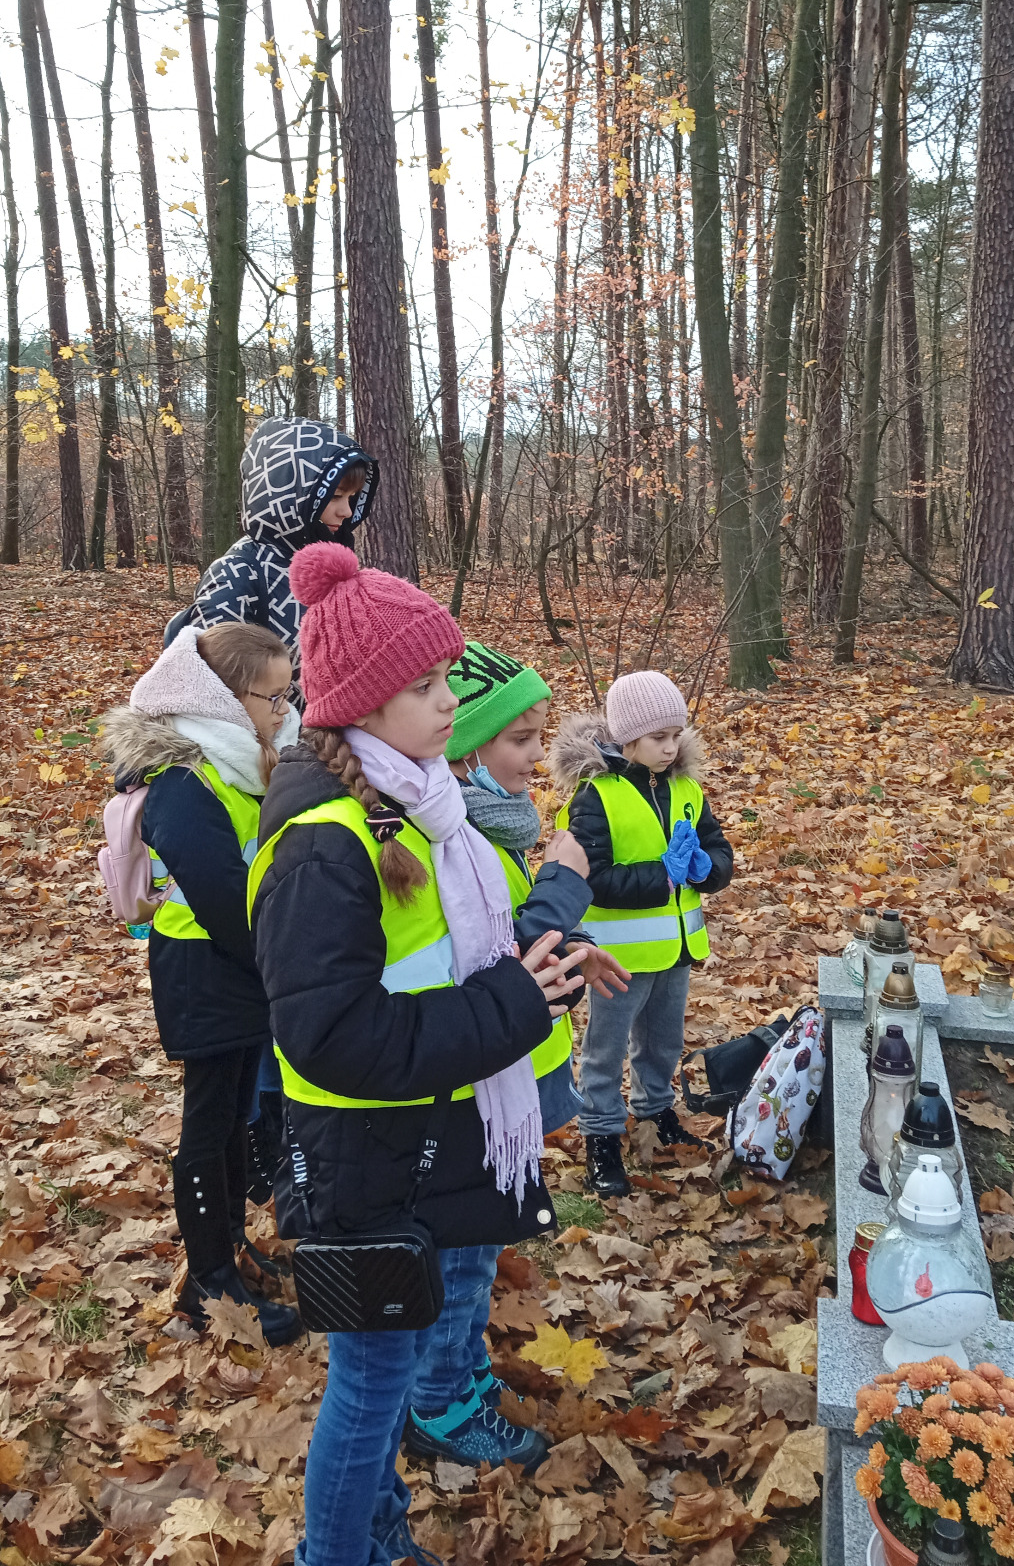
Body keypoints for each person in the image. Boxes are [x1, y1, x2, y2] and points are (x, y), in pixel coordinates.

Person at [249, 546, 585, 1566]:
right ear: (358, 702)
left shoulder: (419, 808)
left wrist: (536, 962)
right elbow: (336, 1036)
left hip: (418, 1142)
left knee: (385, 1374)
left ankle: (378, 1533)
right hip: (364, 1156)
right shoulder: (326, 841)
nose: (450, 703)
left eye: (445, 680)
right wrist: (514, 1003)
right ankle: (337, 1552)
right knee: (369, 1382)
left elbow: (434, 965)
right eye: (424, 685)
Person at [399, 641, 631, 1471]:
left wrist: (573, 945)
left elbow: (514, 942)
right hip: (473, 1087)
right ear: (466, 749)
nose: (539, 757)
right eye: (520, 741)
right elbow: (490, 968)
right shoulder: (446, 839)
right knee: (462, 1254)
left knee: (481, 1247)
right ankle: (438, 1405)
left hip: (504, 1075)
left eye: (540, 737)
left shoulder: (482, 829)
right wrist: (566, 886)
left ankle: (456, 1374)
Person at [101, 622, 301, 1343]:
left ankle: (229, 1248)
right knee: (208, 1122)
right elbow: (221, 894)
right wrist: (281, 960)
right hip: (204, 971)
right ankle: (206, 1281)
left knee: (235, 1117)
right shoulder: (185, 783)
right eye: (271, 698)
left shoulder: (235, 763)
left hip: (240, 971)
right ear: (220, 699)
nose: (283, 712)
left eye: (287, 696)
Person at [548, 670, 734, 1199]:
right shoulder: (595, 798)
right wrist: (663, 876)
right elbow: (593, 878)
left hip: (674, 949)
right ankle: (601, 1134)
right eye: (658, 738)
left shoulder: (687, 789)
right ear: (626, 738)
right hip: (617, 958)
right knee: (605, 1050)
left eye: (677, 735)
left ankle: (655, 1112)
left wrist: (705, 868)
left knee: (662, 1041)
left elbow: (719, 850)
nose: (670, 748)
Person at [165, 417, 378, 652]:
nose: (347, 512)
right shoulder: (238, 572)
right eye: (335, 496)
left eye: (352, 498)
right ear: (289, 493)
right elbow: (212, 679)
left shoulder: (330, 568)